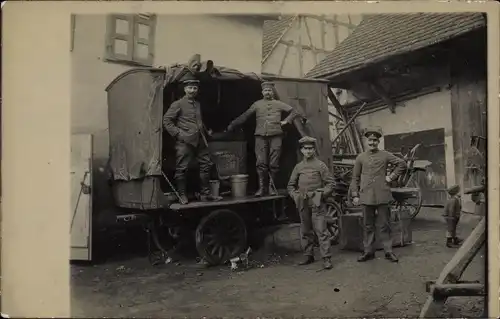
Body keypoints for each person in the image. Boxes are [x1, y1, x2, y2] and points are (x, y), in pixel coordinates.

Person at [226, 81, 298, 196]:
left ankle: (271, 187)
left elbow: (294, 111)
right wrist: (233, 124)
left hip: (276, 136)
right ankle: (261, 188)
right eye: (265, 90)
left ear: (272, 92)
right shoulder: (257, 104)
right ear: (262, 92)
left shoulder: (279, 104)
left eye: (269, 90)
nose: (267, 92)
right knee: (261, 163)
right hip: (260, 136)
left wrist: (286, 121)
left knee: (274, 163)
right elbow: (245, 115)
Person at [350, 127, 406, 263]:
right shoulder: (360, 157)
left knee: (384, 225)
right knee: (367, 225)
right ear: (366, 141)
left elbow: (402, 164)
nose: (372, 143)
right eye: (370, 140)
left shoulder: (385, 155)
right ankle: (368, 251)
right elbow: (355, 177)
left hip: (382, 195)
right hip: (366, 196)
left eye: (375, 140)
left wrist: (391, 177)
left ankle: (388, 251)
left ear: (378, 141)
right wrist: (355, 194)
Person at [163, 75, 213, 204]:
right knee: (182, 168)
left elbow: (198, 121)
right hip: (185, 141)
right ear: (185, 89)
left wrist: (207, 132)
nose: (192, 90)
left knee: (206, 166)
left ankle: (205, 194)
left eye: (195, 88)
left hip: (200, 140)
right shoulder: (178, 104)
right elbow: (167, 121)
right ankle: (182, 195)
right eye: (190, 88)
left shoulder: (197, 104)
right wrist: (179, 134)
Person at [287, 136, 335, 270]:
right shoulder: (298, 167)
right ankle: (308, 255)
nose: (308, 151)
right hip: (303, 202)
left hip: (317, 202)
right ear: (301, 150)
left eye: (310, 148)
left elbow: (331, 184)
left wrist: (321, 194)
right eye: (305, 149)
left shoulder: (320, 165)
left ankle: (326, 258)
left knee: (321, 230)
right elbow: (290, 186)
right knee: (306, 230)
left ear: (314, 150)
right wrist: (296, 196)